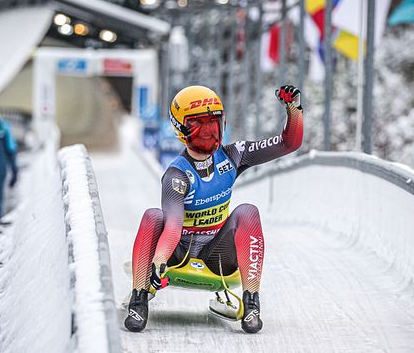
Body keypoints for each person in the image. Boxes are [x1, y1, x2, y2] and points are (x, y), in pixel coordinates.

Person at [124, 84, 303, 334]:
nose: (208, 132)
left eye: (213, 123)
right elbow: (173, 224)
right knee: (153, 217)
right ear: (181, 129)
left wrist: (293, 110)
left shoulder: (235, 155)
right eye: (199, 125)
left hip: (217, 257)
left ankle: (252, 302)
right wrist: (161, 259)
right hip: (178, 254)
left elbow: (288, 143)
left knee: (247, 212)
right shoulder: (177, 174)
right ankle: (139, 298)